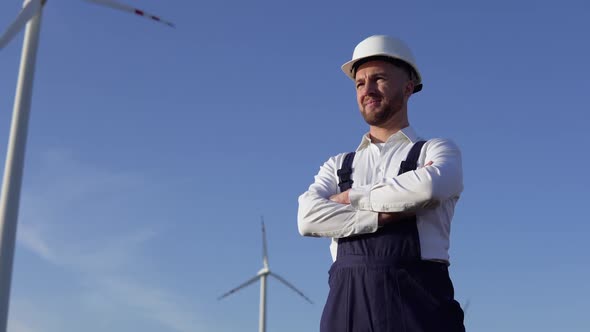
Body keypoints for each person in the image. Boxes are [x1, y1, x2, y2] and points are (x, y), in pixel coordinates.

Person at [297, 35, 466, 332]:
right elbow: (307, 218)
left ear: (408, 86)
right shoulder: (337, 165)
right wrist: (385, 213)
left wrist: (352, 197)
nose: (368, 90)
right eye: (360, 83)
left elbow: (428, 189)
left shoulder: (437, 151)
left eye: (379, 79)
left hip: (420, 311)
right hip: (345, 312)